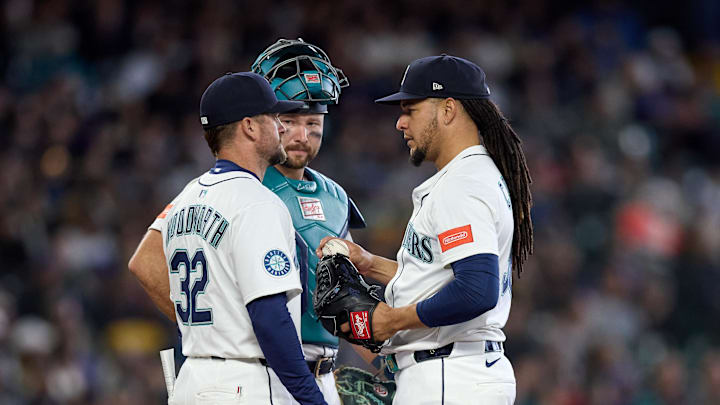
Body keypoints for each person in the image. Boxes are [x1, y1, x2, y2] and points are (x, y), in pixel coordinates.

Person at [317, 55, 533, 405]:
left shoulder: (461, 183)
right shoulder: (473, 175)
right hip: (461, 369)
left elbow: (476, 291)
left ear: (448, 110)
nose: (400, 123)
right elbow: (442, 276)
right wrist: (370, 264)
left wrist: (392, 320)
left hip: (449, 373)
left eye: (410, 109)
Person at [129, 71, 327, 405]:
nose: (282, 127)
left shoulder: (185, 198)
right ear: (249, 126)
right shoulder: (257, 202)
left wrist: (210, 333)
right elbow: (270, 317)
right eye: (273, 117)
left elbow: (143, 264)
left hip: (192, 379)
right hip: (245, 382)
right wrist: (313, 398)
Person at [251, 38, 367, 404]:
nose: (302, 135)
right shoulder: (242, 184)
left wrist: (389, 363)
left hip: (324, 375)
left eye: (313, 123)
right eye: (290, 121)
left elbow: (347, 298)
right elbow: (149, 261)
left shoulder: (335, 197)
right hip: (260, 370)